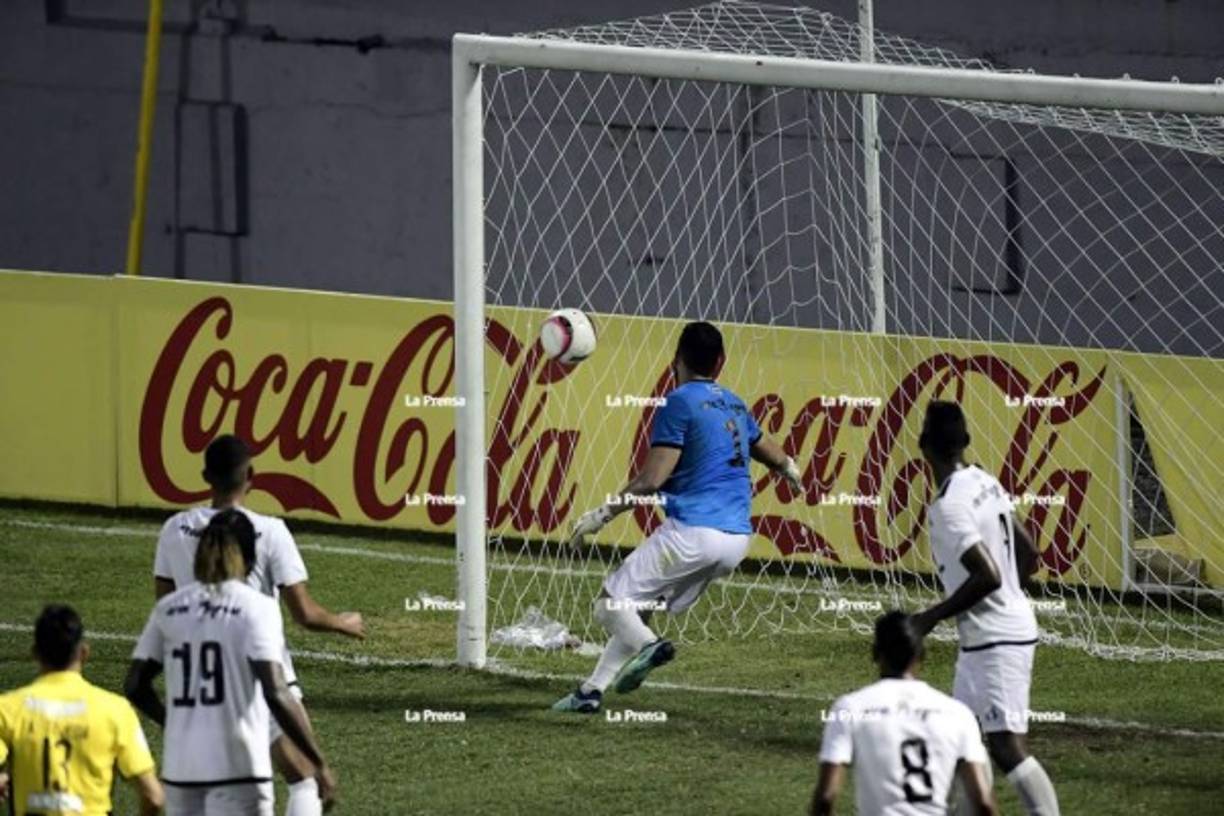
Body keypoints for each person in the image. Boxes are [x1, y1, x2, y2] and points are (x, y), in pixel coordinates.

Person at [553, 321, 802, 712]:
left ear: (676, 360)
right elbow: (767, 449)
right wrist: (789, 467)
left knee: (608, 604)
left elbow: (651, 480)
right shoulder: (734, 403)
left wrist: (601, 514)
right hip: (736, 541)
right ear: (720, 362)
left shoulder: (678, 402)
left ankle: (651, 647)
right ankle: (590, 692)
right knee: (641, 606)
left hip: (694, 533)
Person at [153, 434, 362, 815]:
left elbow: (165, 608)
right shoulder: (269, 531)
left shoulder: (175, 529)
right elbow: (304, 614)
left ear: (205, 476)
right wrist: (342, 623)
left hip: (198, 686)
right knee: (305, 778)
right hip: (260, 674)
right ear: (250, 476)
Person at [127, 514, 336, 815]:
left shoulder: (169, 609)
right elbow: (275, 691)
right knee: (305, 784)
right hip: (239, 768)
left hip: (183, 768)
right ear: (249, 561)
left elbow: (135, 685)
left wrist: (172, 723)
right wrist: (318, 761)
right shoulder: (258, 608)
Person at [910, 401, 1060, 816]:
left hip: (997, 639)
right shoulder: (984, 480)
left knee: (1007, 747)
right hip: (991, 635)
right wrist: (1011, 598)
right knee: (966, 741)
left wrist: (929, 618)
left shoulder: (948, 506)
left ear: (923, 445)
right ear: (966, 441)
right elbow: (1030, 553)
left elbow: (988, 575)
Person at [811, 611, 996, 815]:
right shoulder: (958, 714)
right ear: (921, 654)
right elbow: (983, 803)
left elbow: (826, 797)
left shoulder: (850, 708)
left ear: (875, 653)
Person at [0, 605, 163, 816]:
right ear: (84, 652)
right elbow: (153, 796)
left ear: (35, 654)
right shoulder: (115, 710)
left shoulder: (8, 708)